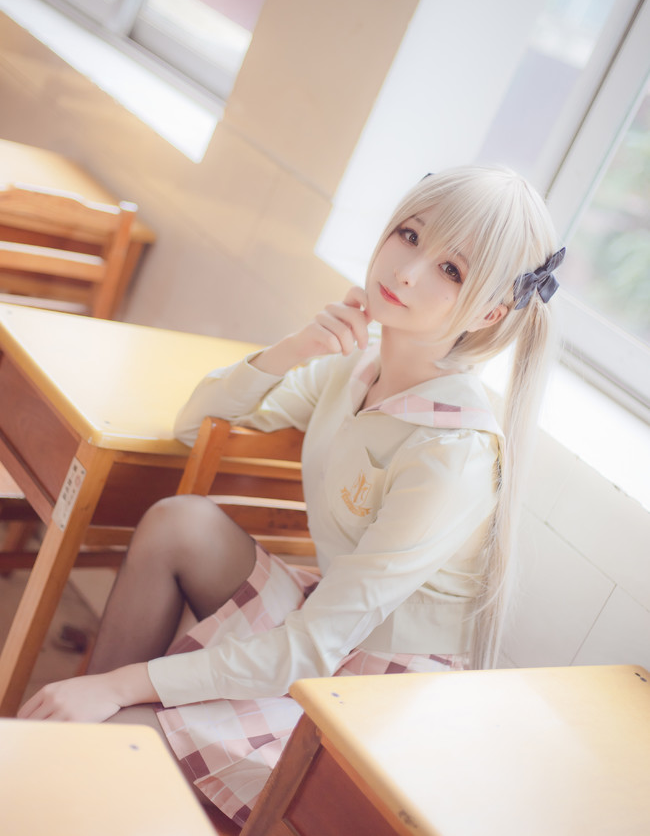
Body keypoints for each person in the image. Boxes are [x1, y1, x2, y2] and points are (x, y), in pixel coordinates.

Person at [18, 166, 564, 828]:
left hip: (374, 692)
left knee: (120, 723)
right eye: (409, 234)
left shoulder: (453, 453)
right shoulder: (357, 368)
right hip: (326, 625)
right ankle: (86, 741)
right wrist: (294, 348)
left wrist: (117, 685)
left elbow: (312, 651)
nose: (408, 270)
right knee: (179, 522)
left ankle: (100, 729)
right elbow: (195, 425)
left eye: (450, 269)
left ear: (489, 313)